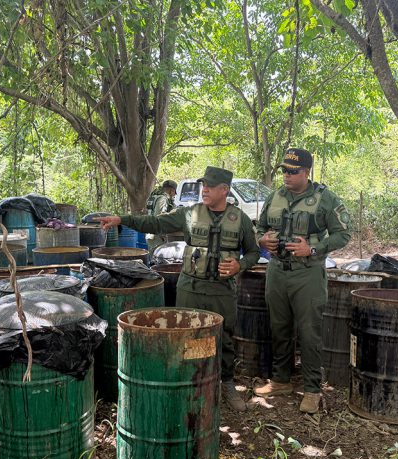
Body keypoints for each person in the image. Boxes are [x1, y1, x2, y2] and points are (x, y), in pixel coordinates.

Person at [96, 166, 260, 411]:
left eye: (210, 186)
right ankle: (190, 385)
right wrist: (122, 220)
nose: (204, 190)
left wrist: (240, 265)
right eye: (203, 185)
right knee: (187, 337)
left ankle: (226, 383)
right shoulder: (189, 214)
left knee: (224, 338)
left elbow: (254, 252)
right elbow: (155, 223)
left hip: (222, 291)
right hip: (190, 288)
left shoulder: (240, 219)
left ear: (224, 190)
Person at [254, 148, 352, 414]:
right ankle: (281, 380)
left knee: (310, 333)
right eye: (284, 170)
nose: (287, 175)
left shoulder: (325, 198)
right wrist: (262, 239)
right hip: (276, 272)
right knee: (279, 328)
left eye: (293, 171)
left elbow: (343, 233)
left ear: (306, 172)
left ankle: (312, 389)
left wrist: (313, 248)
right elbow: (260, 227)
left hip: (307, 274)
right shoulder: (275, 196)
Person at [145, 180, 178, 255]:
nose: (175, 195)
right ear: (171, 190)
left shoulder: (154, 196)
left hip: (151, 233)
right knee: (159, 257)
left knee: (153, 257)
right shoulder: (162, 199)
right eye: (174, 192)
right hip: (156, 236)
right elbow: (159, 217)